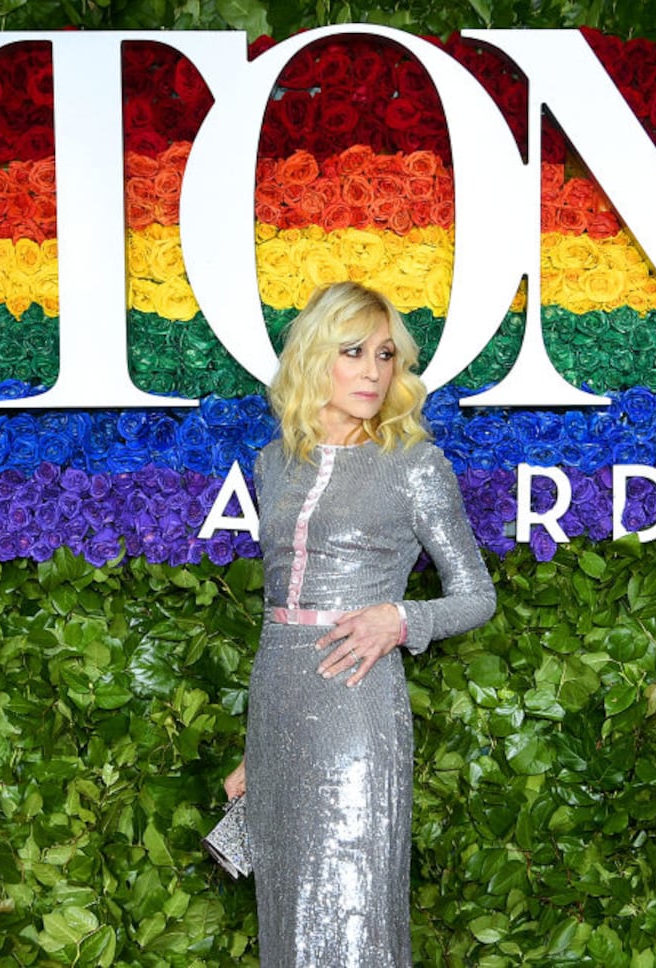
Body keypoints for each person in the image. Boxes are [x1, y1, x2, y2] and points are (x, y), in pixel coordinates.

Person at [221, 281, 496, 966]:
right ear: (316, 358)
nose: (374, 371)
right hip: (278, 701)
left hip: (357, 706)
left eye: (385, 355)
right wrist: (260, 747)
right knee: (286, 910)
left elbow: (476, 594)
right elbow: (278, 609)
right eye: (354, 352)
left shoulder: (414, 465)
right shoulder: (274, 464)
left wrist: (400, 619)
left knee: (351, 898)